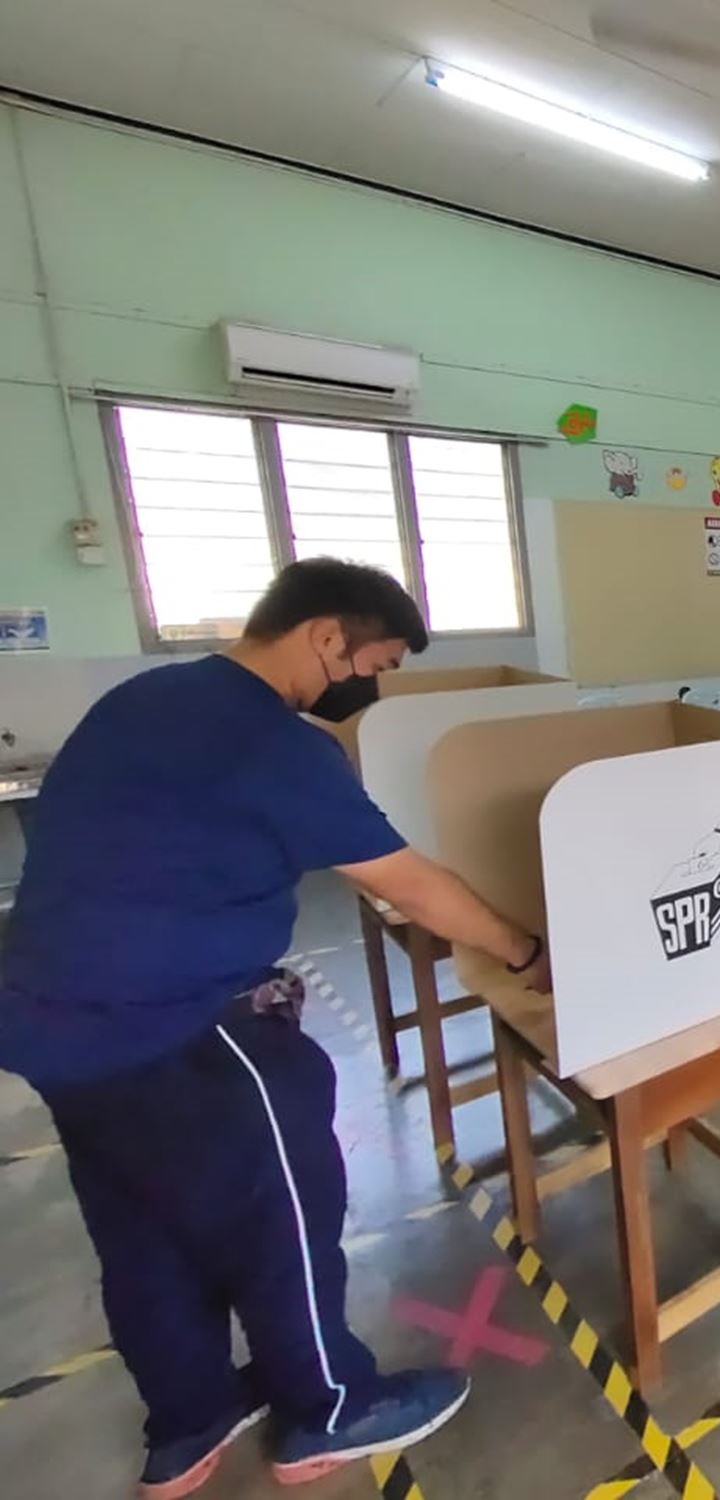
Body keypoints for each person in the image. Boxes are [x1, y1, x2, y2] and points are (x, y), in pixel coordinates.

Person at [0, 559, 553, 1498]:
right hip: (188, 1023)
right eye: (372, 662)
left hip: (53, 1025)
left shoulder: (146, 700)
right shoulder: (271, 742)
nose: (368, 687)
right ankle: (329, 1409)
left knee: (143, 1232)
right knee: (283, 1218)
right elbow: (407, 881)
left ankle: (188, 1423)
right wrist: (519, 947)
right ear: (326, 636)